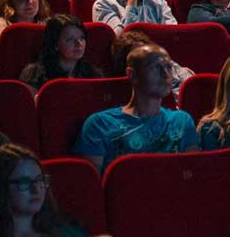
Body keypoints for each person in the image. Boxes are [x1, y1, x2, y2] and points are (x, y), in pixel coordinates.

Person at [76, 43, 199, 171]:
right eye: (155, 67)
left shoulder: (182, 121)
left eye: (168, 67)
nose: (166, 75)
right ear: (132, 74)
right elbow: (92, 185)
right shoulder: (99, 124)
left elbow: (193, 177)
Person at [19, 15, 100, 91]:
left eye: (81, 38)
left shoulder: (92, 73)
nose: (79, 44)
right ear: (55, 44)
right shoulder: (34, 74)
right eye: (70, 39)